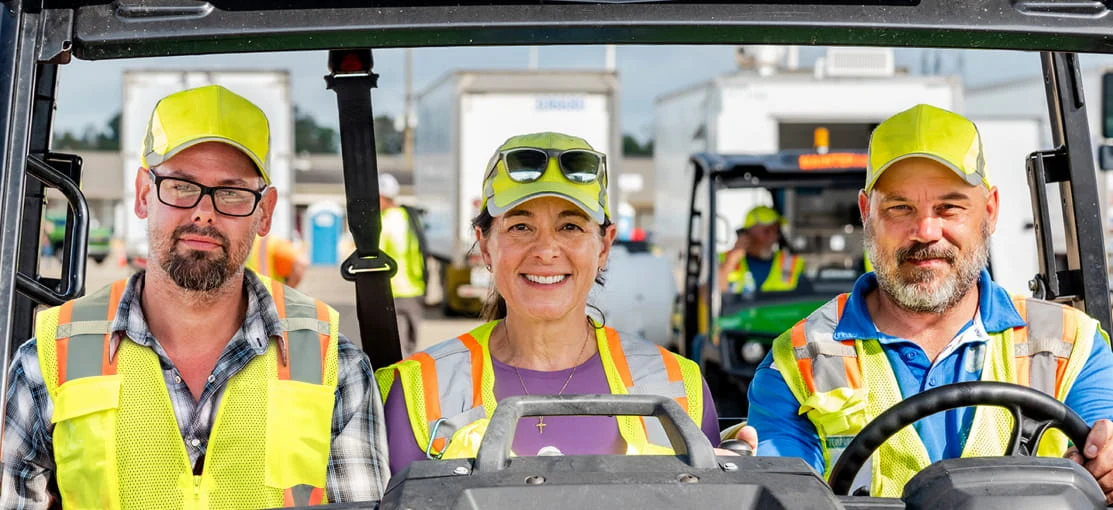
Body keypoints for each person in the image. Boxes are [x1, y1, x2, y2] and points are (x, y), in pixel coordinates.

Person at [0, 85, 389, 508]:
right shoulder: (50, 358)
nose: (204, 212)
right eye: (182, 186)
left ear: (265, 212)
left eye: (232, 192)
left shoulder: (335, 366)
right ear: (145, 194)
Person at [742, 104, 1113, 499]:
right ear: (867, 212)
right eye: (900, 207)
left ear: (989, 211)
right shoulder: (799, 363)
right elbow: (779, 493)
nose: (925, 231)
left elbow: (1104, 441)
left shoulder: (1070, 348)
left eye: (948, 207)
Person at [377, 132, 720, 473]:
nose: (545, 250)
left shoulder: (678, 385)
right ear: (485, 246)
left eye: (570, 226)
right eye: (521, 227)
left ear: (603, 246)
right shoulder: (418, 390)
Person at [378, 172, 426, 358]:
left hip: (394, 291)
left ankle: (400, 385)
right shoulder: (410, 216)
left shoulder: (383, 222)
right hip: (415, 288)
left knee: (398, 347)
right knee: (411, 343)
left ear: (382, 197)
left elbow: (376, 257)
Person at [718, 206, 806, 294]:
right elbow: (714, 293)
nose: (773, 237)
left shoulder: (790, 262)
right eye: (766, 231)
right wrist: (731, 259)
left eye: (776, 231)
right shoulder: (724, 259)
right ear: (746, 234)